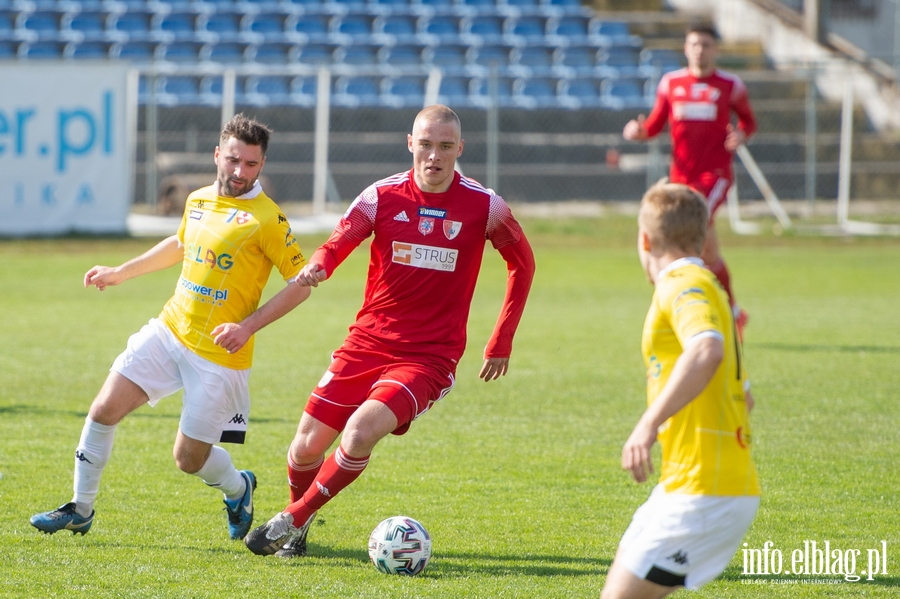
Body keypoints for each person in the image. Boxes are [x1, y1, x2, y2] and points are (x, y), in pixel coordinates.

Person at [243, 104, 536, 557]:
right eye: (425, 144)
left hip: (428, 358)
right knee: (304, 449)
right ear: (410, 144)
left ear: (460, 148)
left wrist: (501, 338)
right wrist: (320, 265)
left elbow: (523, 263)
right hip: (366, 342)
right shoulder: (381, 196)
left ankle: (292, 519)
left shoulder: (485, 205)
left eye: (444, 147)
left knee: (360, 433)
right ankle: (297, 525)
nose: (433, 156)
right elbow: (337, 243)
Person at [30, 114, 311, 541]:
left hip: (220, 355)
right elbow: (181, 244)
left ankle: (239, 488)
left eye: (251, 165)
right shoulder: (197, 199)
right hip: (170, 330)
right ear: (218, 155)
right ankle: (80, 508)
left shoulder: (268, 220)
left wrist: (248, 327)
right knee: (103, 411)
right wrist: (120, 272)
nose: (240, 172)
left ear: (262, 164)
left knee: (188, 458)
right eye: (233, 160)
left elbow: (301, 286)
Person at [600, 181, 760, 599]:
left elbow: (707, 349)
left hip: (704, 489)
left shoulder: (682, 284)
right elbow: (745, 396)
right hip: (689, 481)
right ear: (704, 236)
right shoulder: (710, 287)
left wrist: (647, 425)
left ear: (645, 239)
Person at [623, 23, 757, 341]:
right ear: (686, 48)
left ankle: (697, 309)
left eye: (706, 44)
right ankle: (730, 313)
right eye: (694, 44)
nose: (700, 49)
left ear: (715, 50)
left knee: (695, 236)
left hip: (715, 177)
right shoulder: (671, 83)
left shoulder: (730, 85)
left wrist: (742, 133)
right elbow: (654, 125)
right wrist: (638, 132)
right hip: (680, 179)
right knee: (706, 251)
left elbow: (749, 120)